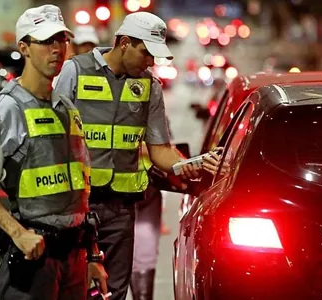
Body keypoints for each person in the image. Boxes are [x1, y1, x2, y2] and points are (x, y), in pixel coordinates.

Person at [54, 11, 221, 300]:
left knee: (113, 293)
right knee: (73, 289)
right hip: (77, 206)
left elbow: (160, 150)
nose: (151, 62)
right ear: (124, 43)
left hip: (121, 210)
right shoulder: (75, 72)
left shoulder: (149, 87)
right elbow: (55, 139)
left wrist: (186, 165)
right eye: (146, 53)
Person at [0, 5, 107, 300]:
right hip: (33, 261)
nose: (57, 49)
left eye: (62, 40)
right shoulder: (3, 109)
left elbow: (79, 191)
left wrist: (92, 257)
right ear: (24, 48)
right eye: (47, 41)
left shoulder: (67, 109)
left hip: (75, 260)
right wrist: (17, 233)